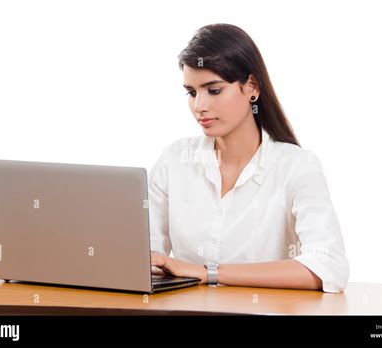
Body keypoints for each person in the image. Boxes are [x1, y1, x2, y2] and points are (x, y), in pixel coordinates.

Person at [149, 23, 349, 293]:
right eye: (192, 92)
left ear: (251, 87)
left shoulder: (297, 167)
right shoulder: (174, 161)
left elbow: (328, 267)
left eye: (214, 90)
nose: (199, 106)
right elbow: (145, 254)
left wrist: (206, 273)